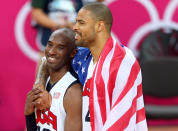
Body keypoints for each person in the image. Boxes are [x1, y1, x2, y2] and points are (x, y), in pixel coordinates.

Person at [35, 2, 148, 131]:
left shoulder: (122, 62)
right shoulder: (83, 57)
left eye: (81, 23)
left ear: (99, 26)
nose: (74, 27)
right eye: (76, 22)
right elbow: (46, 61)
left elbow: (121, 121)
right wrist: (39, 85)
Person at [24, 28, 82, 131]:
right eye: (50, 45)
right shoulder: (42, 84)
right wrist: (29, 115)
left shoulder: (73, 92)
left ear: (73, 53)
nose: (51, 51)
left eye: (60, 47)